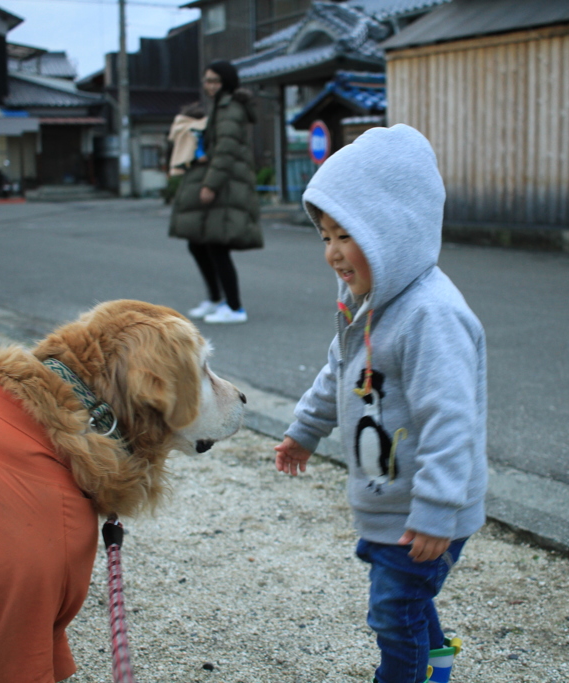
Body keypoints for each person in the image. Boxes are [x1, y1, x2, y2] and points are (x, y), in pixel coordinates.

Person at [272, 124, 487, 683]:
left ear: (394, 231)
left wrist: (438, 510)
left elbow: (451, 420)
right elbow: (337, 372)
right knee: (406, 601)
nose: (332, 254)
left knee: (393, 612)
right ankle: (436, 660)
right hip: (387, 501)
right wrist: (304, 431)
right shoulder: (363, 305)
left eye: (346, 235)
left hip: (424, 511)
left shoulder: (430, 316)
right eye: (324, 236)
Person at [169, 60, 262, 324]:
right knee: (199, 243)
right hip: (223, 181)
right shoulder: (221, 106)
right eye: (206, 80)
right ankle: (216, 299)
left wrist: (210, 184)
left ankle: (234, 307)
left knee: (215, 246)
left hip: (226, 185)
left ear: (226, 82)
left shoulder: (229, 107)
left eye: (215, 80)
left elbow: (226, 149)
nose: (209, 85)